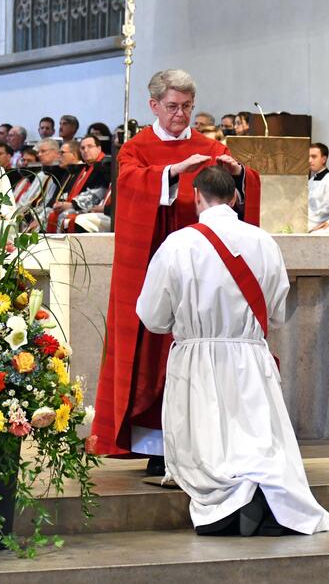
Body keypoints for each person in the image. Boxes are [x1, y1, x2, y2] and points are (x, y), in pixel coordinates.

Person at [137, 166, 329, 536]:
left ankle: (230, 500)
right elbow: (276, 314)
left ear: (196, 196)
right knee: (257, 437)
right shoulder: (263, 242)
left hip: (197, 359)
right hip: (250, 356)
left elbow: (152, 317)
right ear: (236, 198)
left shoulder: (178, 244)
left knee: (210, 438)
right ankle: (269, 495)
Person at [90, 69, 260, 469]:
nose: (181, 114)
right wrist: (172, 173)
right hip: (154, 270)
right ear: (154, 105)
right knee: (153, 355)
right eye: (172, 107)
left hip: (205, 278)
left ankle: (201, 440)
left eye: (187, 106)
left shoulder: (209, 147)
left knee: (196, 356)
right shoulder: (136, 148)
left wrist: (239, 176)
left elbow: (244, 189)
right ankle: (155, 446)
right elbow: (129, 190)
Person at [51, 135, 111, 232]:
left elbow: (102, 191)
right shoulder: (82, 169)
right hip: (85, 206)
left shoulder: (106, 166)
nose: (86, 150)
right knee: (51, 213)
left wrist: (73, 205)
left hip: (99, 208)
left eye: (90, 146)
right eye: (82, 148)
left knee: (66, 216)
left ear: (99, 148)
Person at [307, 142, 329, 230]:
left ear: (324, 159)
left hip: (322, 226)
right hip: (307, 222)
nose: (310, 160)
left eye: (314, 157)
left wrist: (307, 223)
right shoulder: (310, 181)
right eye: (309, 157)